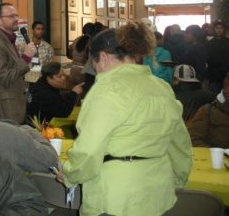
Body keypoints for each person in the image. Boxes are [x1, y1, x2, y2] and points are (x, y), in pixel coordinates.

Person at [58, 22, 192, 216]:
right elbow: (179, 143)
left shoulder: (106, 90)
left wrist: (70, 175)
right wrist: (179, 179)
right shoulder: (161, 87)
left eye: (94, 65)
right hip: (158, 193)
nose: (96, 72)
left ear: (102, 57)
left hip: (116, 197)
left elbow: (88, 150)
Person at [0, 3, 36, 124]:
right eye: (11, 16)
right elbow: (5, 77)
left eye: (16, 15)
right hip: (6, 103)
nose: (16, 19)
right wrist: (26, 57)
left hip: (16, 98)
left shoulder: (8, 39)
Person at [187, 74, 229, 148]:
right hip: (214, 157)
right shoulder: (208, 111)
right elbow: (192, 139)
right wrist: (218, 153)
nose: (226, 91)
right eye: (225, 86)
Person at [206, 19, 229, 93]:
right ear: (214, 29)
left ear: (224, 29)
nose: (219, 30)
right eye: (217, 28)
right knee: (214, 97)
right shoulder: (210, 43)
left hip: (226, 75)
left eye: (221, 28)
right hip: (214, 76)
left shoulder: (227, 42)